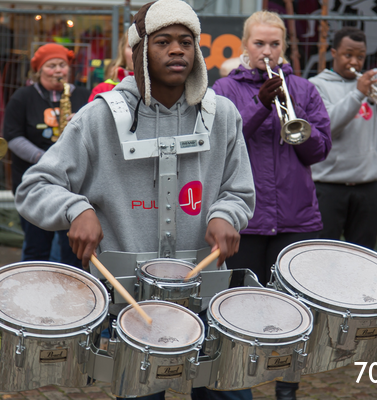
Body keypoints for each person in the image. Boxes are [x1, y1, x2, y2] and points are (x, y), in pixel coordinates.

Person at [15, 1, 255, 399]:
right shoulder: (98, 118)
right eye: (163, 42)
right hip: (132, 302)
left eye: (186, 41)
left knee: (226, 392)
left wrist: (227, 214)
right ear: (141, 51)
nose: (177, 50)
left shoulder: (224, 115)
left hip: (205, 293)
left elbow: (239, 190)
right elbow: (35, 186)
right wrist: (78, 209)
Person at [212, 10, 331, 400]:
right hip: (247, 219)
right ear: (245, 44)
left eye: (274, 44)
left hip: (297, 217)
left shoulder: (305, 90)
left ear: (284, 46)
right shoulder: (226, 90)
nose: (267, 51)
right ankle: (238, 382)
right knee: (242, 307)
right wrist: (261, 105)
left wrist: (302, 130)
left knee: (296, 310)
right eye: (259, 43)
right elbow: (220, 144)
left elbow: (319, 151)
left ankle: (288, 386)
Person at [309, 27, 377, 250]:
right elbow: (328, 126)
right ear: (334, 53)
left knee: (364, 256)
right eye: (348, 55)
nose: (355, 62)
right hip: (329, 187)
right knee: (323, 253)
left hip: (368, 187)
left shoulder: (371, 82)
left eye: (360, 57)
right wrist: (358, 94)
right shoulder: (317, 85)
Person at [4, 43, 89, 268]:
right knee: (36, 247)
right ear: (39, 70)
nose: (58, 71)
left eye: (62, 65)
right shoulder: (23, 97)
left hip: (73, 186)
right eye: (51, 66)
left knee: (72, 252)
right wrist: (46, 159)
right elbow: (12, 136)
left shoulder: (82, 94)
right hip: (35, 183)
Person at [88, 31, 134, 102]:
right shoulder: (102, 90)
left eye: (143, 46)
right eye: (131, 46)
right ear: (122, 50)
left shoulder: (156, 88)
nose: (137, 51)